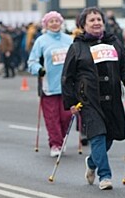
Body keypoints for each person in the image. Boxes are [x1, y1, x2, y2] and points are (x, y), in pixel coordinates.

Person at [62, 7, 125, 190]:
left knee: (109, 138)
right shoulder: (77, 47)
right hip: (88, 101)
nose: (96, 23)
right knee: (97, 136)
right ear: (83, 25)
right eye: (91, 20)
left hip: (111, 99)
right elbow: (67, 77)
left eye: (98, 20)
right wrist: (71, 102)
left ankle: (92, 162)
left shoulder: (114, 43)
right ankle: (105, 175)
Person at [27, 11, 74, 157]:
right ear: (46, 25)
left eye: (56, 21)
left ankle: (62, 138)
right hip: (49, 87)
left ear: (61, 23)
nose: (54, 23)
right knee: (52, 117)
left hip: (68, 86)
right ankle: (55, 144)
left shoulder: (69, 40)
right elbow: (32, 61)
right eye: (51, 21)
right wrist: (39, 70)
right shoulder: (41, 41)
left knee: (66, 116)